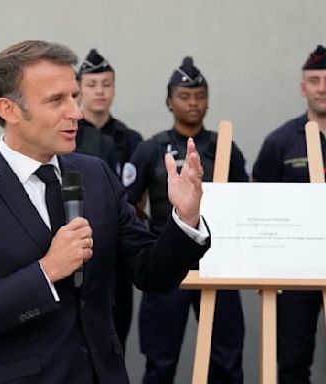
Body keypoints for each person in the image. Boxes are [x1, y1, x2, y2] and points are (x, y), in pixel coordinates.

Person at [0, 39, 210, 384]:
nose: (76, 112)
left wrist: (186, 219)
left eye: (74, 96)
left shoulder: (96, 175)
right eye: (56, 100)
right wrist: (45, 273)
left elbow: (152, 273)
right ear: (9, 110)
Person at [125, 57, 246, 384]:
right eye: (184, 96)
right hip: (167, 264)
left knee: (226, 359)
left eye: (199, 96)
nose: (193, 103)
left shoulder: (224, 148)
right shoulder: (150, 150)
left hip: (217, 265)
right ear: (169, 101)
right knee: (161, 360)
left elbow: (243, 201)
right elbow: (128, 203)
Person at [252, 45, 326, 384]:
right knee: (293, 360)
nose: (322, 87)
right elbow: (260, 201)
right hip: (297, 270)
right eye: (314, 80)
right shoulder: (280, 142)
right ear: (303, 88)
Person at [76, 48, 143, 349]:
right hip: (75, 249)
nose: (100, 91)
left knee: (116, 338)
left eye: (106, 84)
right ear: (78, 88)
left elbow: (137, 199)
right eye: (92, 84)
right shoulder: (67, 135)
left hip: (116, 252)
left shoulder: (130, 139)